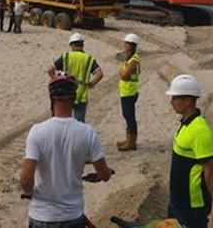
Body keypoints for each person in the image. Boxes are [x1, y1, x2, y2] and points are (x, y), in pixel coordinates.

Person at [21, 72, 113, 228]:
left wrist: (31, 192)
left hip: (41, 216)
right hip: (72, 216)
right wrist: (107, 171)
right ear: (74, 97)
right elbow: (104, 175)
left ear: (51, 98)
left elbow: (25, 180)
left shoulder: (37, 131)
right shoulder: (88, 133)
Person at [166, 74, 213, 228]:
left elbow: (210, 173)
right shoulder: (185, 123)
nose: (171, 102)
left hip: (192, 206)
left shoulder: (200, 131)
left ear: (188, 101)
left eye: (175, 98)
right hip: (177, 200)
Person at [47, 32, 103, 123]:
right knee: (79, 123)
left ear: (72, 45)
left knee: (63, 120)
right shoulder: (88, 59)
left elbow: (50, 69)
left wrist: (56, 79)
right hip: (81, 95)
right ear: (82, 45)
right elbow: (100, 74)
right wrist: (90, 84)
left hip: (66, 93)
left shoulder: (66, 56)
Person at [116, 33, 141, 152]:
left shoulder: (134, 60)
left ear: (131, 45)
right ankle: (129, 139)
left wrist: (122, 73)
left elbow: (124, 75)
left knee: (129, 116)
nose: (125, 46)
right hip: (127, 91)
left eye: (126, 44)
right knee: (127, 115)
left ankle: (131, 142)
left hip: (129, 92)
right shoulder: (130, 59)